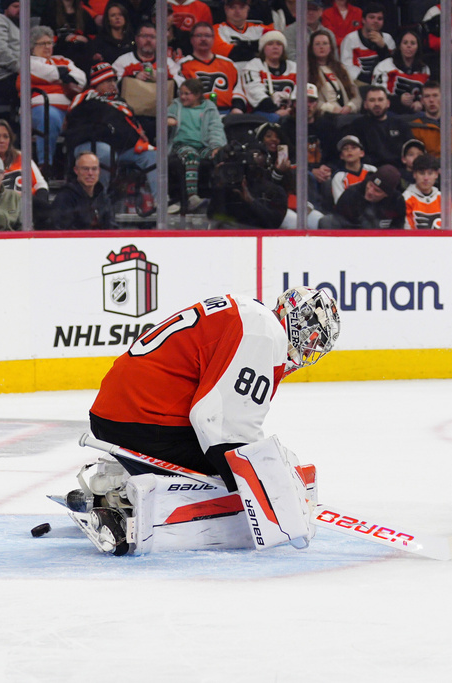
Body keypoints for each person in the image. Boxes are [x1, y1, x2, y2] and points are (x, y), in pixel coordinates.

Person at [74, 287, 340, 555]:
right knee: (246, 466)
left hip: (117, 414)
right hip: (143, 420)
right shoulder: (264, 333)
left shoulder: (247, 312)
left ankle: (117, 480)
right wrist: (260, 487)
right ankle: (129, 502)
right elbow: (218, 423)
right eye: (314, 341)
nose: (310, 351)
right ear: (302, 327)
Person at [64, 62, 158, 196]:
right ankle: (100, 198)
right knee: (105, 152)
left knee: (151, 154)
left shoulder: (121, 103)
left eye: (114, 80)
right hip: (89, 146)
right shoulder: (85, 100)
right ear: (97, 83)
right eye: (108, 81)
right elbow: (77, 128)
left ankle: (159, 202)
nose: (113, 84)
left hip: (121, 148)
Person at [26, 26, 87, 167]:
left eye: (50, 43)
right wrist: (63, 75)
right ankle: (45, 165)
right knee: (50, 116)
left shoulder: (62, 60)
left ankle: (78, 168)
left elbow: (81, 78)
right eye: (42, 44)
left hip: (70, 109)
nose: (47, 47)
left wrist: (59, 74)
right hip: (39, 109)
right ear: (32, 46)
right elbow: (44, 73)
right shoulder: (27, 61)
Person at [166, 77, 226, 213]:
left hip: (202, 145)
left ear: (198, 94)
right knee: (191, 156)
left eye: (187, 94)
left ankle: (219, 199)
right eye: (181, 93)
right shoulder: (176, 106)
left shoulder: (209, 108)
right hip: (181, 144)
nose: (182, 96)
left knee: (220, 157)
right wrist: (169, 121)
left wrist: (216, 147)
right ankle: (192, 198)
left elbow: (215, 128)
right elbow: (166, 116)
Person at [207, 140, 288, 228]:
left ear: (268, 160)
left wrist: (251, 201)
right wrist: (219, 188)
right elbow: (213, 218)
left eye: (257, 154)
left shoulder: (273, 190)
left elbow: (275, 223)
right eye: (249, 155)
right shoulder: (228, 187)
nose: (252, 159)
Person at [176, 22, 242, 114]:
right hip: (195, 111)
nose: (203, 39)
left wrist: (237, 108)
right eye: (199, 35)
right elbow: (181, 92)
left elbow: (238, 90)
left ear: (213, 39)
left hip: (227, 112)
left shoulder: (229, 63)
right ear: (191, 40)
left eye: (207, 36)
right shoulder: (183, 64)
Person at [319, 164, 406, 229]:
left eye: (377, 191)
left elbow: (398, 227)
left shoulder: (397, 201)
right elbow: (340, 223)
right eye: (370, 185)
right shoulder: (352, 194)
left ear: (387, 195)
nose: (370, 191)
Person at [234, 30, 297, 121]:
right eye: (270, 44)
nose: (275, 47)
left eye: (279, 44)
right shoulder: (254, 65)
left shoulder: (294, 67)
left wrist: (292, 109)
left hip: (290, 111)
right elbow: (254, 92)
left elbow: (300, 91)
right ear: (263, 48)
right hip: (262, 111)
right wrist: (276, 110)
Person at [347, 85, 412, 168]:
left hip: (399, 170)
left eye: (380, 100)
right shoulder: (357, 125)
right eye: (372, 100)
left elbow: (411, 150)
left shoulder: (400, 124)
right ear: (365, 104)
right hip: (369, 171)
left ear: (388, 103)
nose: (377, 104)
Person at [51, 151, 117, 230]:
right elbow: (59, 230)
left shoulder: (103, 197)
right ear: (76, 170)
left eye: (94, 169)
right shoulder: (65, 198)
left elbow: (112, 228)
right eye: (85, 169)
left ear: (99, 171)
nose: (90, 173)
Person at [372, 27, 430, 115]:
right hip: (389, 111)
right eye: (405, 43)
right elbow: (376, 95)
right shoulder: (385, 66)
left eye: (413, 43)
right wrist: (398, 100)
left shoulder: (424, 69)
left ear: (418, 47)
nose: (409, 46)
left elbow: (428, 93)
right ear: (399, 46)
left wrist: (420, 103)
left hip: (415, 113)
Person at [408, 80, 452, 158]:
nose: (431, 100)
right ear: (422, 101)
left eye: (435, 95)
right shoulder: (415, 128)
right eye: (427, 96)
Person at [308, 29, 361, 115]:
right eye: (317, 44)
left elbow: (356, 96)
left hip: (345, 113)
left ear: (330, 47)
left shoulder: (340, 68)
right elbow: (307, 100)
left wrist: (350, 107)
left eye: (325, 43)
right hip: (324, 115)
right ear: (311, 48)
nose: (321, 47)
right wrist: (330, 109)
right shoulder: (307, 70)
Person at [339, 2, 393, 85]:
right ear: (363, 20)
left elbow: (393, 65)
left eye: (379, 19)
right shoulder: (350, 39)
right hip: (358, 81)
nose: (375, 21)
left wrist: (382, 47)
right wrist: (366, 79)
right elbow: (346, 66)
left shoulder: (387, 38)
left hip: (382, 81)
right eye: (372, 17)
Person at [212, 0, 270, 69]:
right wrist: (256, 47)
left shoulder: (261, 29)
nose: (237, 11)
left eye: (241, 7)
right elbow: (230, 54)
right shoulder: (216, 30)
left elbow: (275, 48)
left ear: (248, 8)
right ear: (226, 9)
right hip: (230, 73)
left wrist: (240, 45)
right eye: (233, 7)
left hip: (258, 74)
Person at [402, 153, 447, 230]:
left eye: (430, 173)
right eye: (422, 173)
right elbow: (407, 231)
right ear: (414, 174)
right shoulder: (405, 198)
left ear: (436, 174)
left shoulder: (444, 199)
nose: (426, 178)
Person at [331, 134, 376, 205]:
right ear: (341, 156)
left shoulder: (372, 169)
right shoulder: (338, 178)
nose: (349, 150)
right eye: (345, 148)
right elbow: (340, 204)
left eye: (353, 147)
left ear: (362, 153)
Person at [90, 1, 136, 66]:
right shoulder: (100, 40)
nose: (117, 17)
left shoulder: (132, 38)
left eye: (120, 14)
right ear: (108, 20)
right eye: (113, 15)